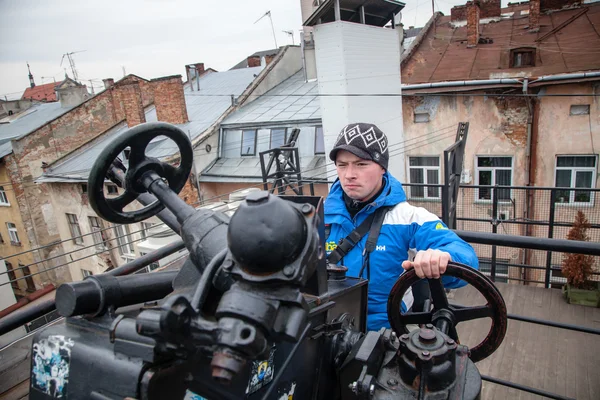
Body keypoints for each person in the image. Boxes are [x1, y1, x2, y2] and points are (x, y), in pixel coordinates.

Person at [324, 122, 479, 332]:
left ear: (382, 167)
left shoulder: (408, 218)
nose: (349, 174)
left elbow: (466, 258)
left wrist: (442, 258)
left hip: (386, 335)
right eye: (342, 165)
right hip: (327, 331)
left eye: (360, 164)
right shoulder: (318, 215)